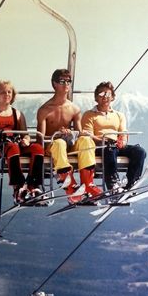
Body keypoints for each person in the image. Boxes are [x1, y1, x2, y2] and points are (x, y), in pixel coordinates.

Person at [36, 69, 103, 203]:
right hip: (52, 146)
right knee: (60, 143)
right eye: (62, 81)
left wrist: (70, 133)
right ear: (54, 84)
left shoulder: (74, 108)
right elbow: (40, 138)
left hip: (69, 145)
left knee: (86, 140)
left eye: (68, 81)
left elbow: (79, 134)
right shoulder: (45, 110)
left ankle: (87, 183)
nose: (66, 84)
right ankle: (70, 185)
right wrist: (57, 136)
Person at [0, 80, 45, 204]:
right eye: (3, 92)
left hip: (16, 146)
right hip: (1, 149)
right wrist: (1, 141)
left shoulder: (18, 114)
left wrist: (25, 141)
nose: (7, 94)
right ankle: (18, 186)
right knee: (12, 147)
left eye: (9, 92)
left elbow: (25, 135)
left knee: (37, 148)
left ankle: (34, 184)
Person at [81, 81, 146, 192]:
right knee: (110, 149)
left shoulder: (119, 115)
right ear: (96, 97)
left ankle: (132, 183)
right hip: (100, 146)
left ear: (112, 97)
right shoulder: (89, 115)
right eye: (101, 95)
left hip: (116, 145)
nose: (105, 97)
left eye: (108, 95)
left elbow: (123, 132)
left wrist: (123, 141)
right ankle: (113, 183)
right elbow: (88, 135)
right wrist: (102, 140)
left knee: (139, 151)